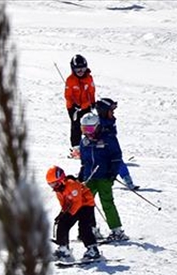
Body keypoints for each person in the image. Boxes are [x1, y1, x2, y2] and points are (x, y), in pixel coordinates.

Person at [79, 107, 127, 243]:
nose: (87, 132)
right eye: (84, 129)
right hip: (89, 177)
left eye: (89, 129)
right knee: (85, 204)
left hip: (104, 176)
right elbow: (84, 160)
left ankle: (116, 230)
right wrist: (82, 174)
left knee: (107, 202)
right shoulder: (84, 142)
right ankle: (90, 229)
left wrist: (112, 172)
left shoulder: (108, 139)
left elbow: (116, 157)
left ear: (97, 127)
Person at [46, 166, 102, 263]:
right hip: (73, 206)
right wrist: (62, 214)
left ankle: (93, 249)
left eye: (55, 183)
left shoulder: (72, 184)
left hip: (86, 205)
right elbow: (64, 204)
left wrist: (69, 214)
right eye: (51, 185)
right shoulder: (59, 190)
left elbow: (77, 202)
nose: (53, 186)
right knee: (62, 223)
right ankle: (63, 248)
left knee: (84, 228)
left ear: (61, 179)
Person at [63, 54, 95, 159]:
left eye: (83, 68)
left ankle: (89, 145)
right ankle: (76, 148)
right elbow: (67, 95)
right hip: (73, 108)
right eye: (78, 69)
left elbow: (91, 91)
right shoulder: (70, 80)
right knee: (76, 126)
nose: (81, 71)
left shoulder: (89, 78)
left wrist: (93, 102)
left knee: (88, 124)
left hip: (86, 106)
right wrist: (73, 104)